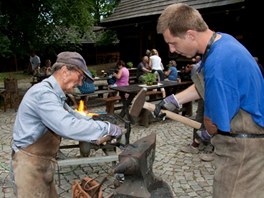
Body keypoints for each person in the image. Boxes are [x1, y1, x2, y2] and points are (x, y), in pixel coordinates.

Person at [155, 3, 264, 198]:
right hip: (245, 146)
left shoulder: (218, 62)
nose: (171, 50)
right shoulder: (222, 43)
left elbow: (213, 124)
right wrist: (173, 100)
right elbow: (202, 86)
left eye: (173, 43)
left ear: (190, 34)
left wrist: (204, 133)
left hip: (243, 151)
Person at [10, 51, 122, 198]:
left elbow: (72, 115)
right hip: (28, 168)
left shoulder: (54, 94)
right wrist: (107, 128)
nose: (80, 83)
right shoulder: (43, 94)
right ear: (65, 71)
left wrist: (96, 126)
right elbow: (67, 125)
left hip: (42, 164)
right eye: (80, 76)